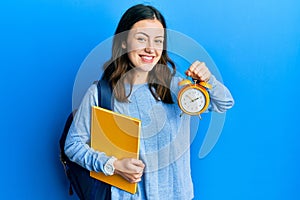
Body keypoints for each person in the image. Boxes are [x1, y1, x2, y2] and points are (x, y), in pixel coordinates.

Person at [64, 4, 234, 200]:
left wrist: (208, 79)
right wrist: (113, 165)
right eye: (141, 39)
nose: (150, 49)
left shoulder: (179, 88)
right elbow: (73, 146)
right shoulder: (101, 94)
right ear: (124, 42)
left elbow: (224, 103)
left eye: (158, 41)